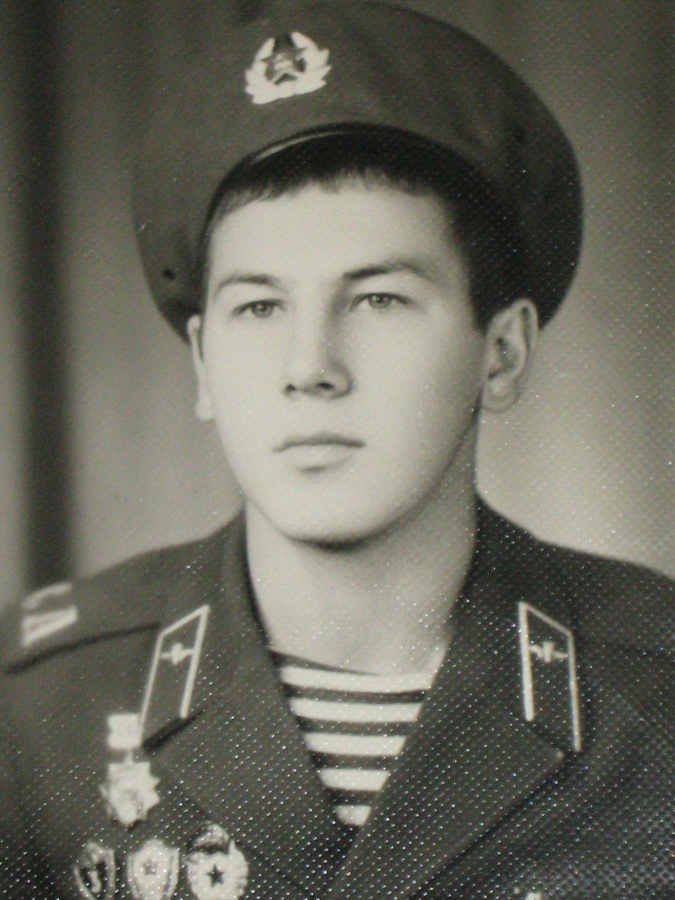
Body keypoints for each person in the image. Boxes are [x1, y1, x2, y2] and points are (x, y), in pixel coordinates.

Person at [1, 3, 673, 898]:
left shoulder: (653, 693)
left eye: (377, 299)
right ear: (202, 363)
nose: (308, 367)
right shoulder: (37, 707)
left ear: (501, 353)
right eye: (259, 306)